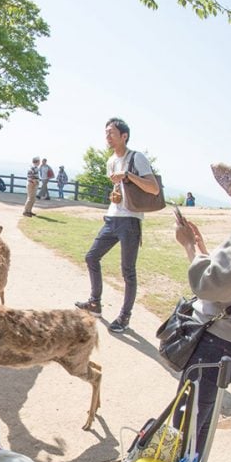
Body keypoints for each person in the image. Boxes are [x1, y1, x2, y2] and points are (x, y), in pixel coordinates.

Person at [173, 155, 231, 453]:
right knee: (199, 427)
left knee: (184, 430)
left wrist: (188, 246)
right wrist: (203, 250)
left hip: (214, 346)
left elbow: (209, 287)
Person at [75, 117, 159, 334]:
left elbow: (154, 188)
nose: (107, 137)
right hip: (112, 218)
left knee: (128, 271)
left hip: (131, 220)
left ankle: (124, 316)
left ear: (124, 136)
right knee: (91, 257)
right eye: (106, 133)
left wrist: (127, 175)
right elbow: (119, 190)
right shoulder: (111, 161)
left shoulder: (137, 158)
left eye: (111, 133)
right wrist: (115, 194)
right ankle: (95, 303)